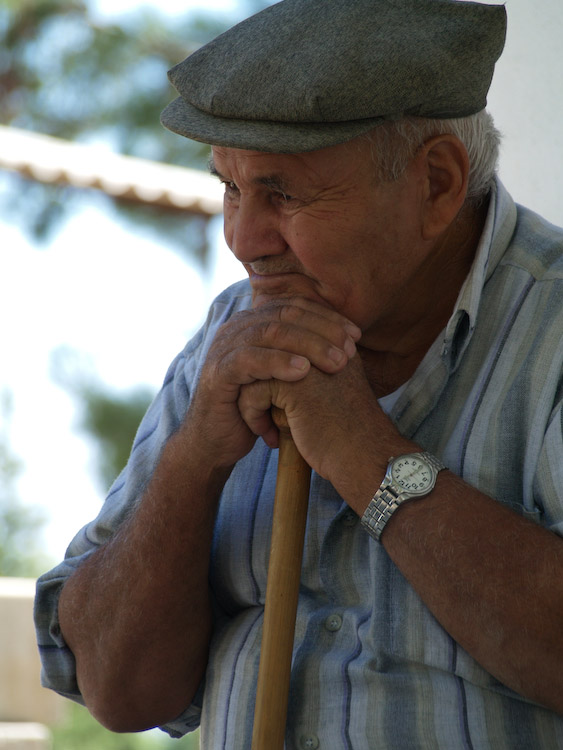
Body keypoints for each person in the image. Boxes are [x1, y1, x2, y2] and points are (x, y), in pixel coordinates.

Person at [34, 0, 563, 747]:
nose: (243, 239)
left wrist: (364, 455)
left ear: (437, 184)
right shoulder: (231, 332)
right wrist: (194, 456)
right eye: (229, 188)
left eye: (282, 193)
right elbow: (119, 693)